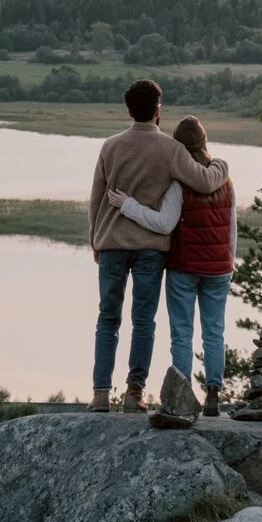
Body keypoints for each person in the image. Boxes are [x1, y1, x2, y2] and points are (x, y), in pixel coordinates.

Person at [88, 80, 230, 413]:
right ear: (158, 110)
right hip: (151, 248)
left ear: (128, 110)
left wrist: (94, 239)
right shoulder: (171, 149)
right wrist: (223, 165)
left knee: (108, 319)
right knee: (144, 321)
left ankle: (99, 394)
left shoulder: (109, 147)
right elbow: (206, 181)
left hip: (110, 243)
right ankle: (134, 393)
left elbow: (96, 198)